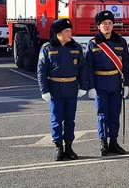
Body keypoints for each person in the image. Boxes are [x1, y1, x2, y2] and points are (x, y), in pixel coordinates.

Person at [37, 18, 87, 161]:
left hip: (71, 89)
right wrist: (44, 90)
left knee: (70, 120)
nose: (70, 33)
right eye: (67, 31)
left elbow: (82, 68)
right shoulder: (47, 48)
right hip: (55, 89)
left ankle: (69, 147)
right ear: (58, 33)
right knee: (57, 120)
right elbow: (41, 70)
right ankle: (58, 147)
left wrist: (83, 86)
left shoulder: (76, 47)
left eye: (70, 30)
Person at [86, 10, 129, 156]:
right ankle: (103, 142)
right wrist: (91, 86)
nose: (107, 26)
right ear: (98, 26)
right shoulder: (93, 44)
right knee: (102, 115)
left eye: (110, 23)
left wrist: (127, 85)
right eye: (104, 24)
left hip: (115, 83)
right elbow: (89, 67)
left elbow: (126, 65)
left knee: (114, 115)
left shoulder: (121, 41)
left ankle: (114, 142)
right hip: (100, 84)